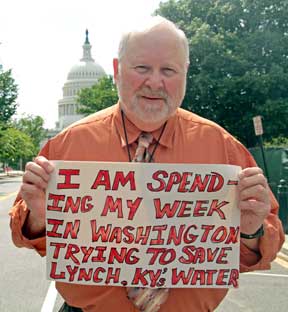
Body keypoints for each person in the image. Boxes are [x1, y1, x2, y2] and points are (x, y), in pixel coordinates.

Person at [10, 16, 284, 312]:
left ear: (185, 73)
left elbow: (263, 248)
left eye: (168, 70)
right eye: (142, 68)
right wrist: (40, 217)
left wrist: (250, 231)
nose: (155, 82)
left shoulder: (224, 149)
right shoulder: (66, 146)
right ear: (117, 70)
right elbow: (26, 235)